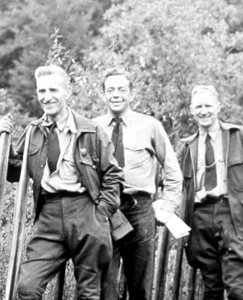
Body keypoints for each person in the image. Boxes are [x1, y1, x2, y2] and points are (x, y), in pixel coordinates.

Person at [0, 65, 125, 299]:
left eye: (53, 90)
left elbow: (113, 174)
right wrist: (5, 144)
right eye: (41, 91)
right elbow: (14, 173)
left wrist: (102, 213)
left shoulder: (91, 130)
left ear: (67, 91)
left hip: (86, 211)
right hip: (50, 214)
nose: (47, 97)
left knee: (89, 292)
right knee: (28, 286)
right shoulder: (34, 131)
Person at [93, 67, 182, 300]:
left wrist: (170, 205)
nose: (116, 94)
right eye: (110, 90)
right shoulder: (94, 127)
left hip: (139, 209)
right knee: (105, 281)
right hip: (106, 210)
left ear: (131, 93)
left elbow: (172, 168)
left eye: (121, 89)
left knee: (140, 283)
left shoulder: (149, 125)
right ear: (103, 94)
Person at [179, 84, 243, 300]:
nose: (203, 111)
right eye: (198, 106)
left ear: (218, 107)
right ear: (191, 109)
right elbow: (181, 186)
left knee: (237, 287)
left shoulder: (237, 136)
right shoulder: (188, 146)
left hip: (231, 213)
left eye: (208, 105)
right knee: (211, 287)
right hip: (200, 217)